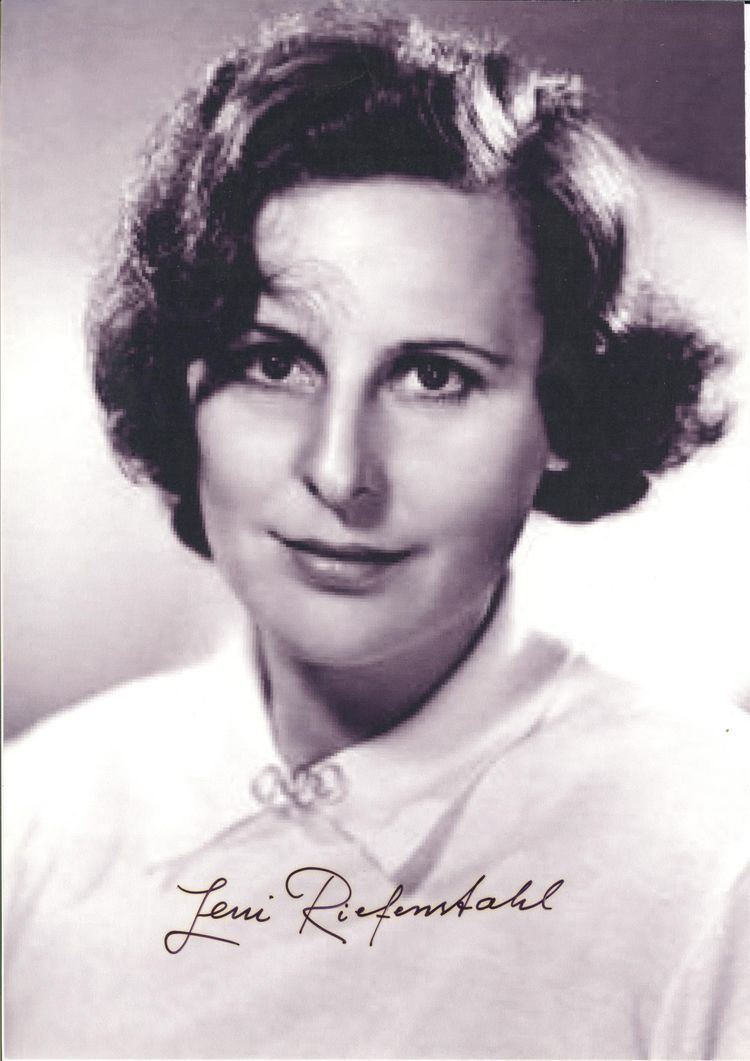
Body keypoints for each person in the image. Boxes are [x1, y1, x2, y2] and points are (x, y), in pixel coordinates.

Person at [5, 8, 749, 1058]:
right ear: (186, 383)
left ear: (564, 414)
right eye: (274, 361)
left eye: (434, 375)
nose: (341, 471)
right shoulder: (35, 815)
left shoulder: (720, 848)